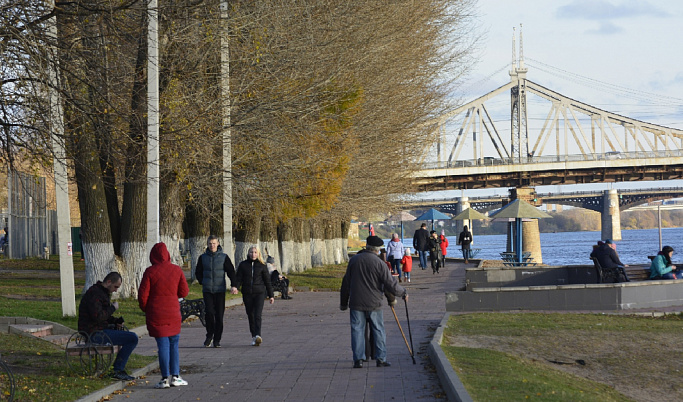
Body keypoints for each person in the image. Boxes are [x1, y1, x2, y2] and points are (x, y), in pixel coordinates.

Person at [340, 235, 407, 369]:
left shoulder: (354, 260)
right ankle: (380, 359)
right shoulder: (379, 263)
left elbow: (346, 283)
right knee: (378, 330)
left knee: (357, 330)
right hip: (374, 302)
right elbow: (390, 283)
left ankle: (358, 359)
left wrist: (343, 302)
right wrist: (402, 293)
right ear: (377, 249)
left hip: (356, 301)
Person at [138, 242, 190, 389]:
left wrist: (146, 309)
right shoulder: (176, 270)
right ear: (167, 254)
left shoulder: (149, 272)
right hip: (173, 312)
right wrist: (173, 296)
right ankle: (176, 376)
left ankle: (164, 378)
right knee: (174, 344)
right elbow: (184, 292)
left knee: (162, 346)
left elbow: (143, 296)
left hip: (156, 313)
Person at [78, 272, 139, 381]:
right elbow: (98, 316)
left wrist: (116, 321)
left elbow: (103, 315)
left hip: (99, 330)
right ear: (109, 282)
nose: (116, 290)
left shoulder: (102, 293)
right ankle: (117, 370)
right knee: (132, 338)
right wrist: (113, 308)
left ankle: (117, 369)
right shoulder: (95, 294)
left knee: (129, 336)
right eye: (115, 287)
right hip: (93, 333)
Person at [195, 235, 236, 348]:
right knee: (209, 314)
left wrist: (234, 285)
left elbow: (231, 272)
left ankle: (217, 339)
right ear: (207, 244)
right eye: (210, 243)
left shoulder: (223, 257)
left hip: (219, 290)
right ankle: (209, 336)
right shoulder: (203, 258)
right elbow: (198, 272)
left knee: (219, 316)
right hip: (207, 290)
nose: (212, 245)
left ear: (218, 243)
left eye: (214, 243)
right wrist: (202, 281)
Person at [232, 246, 274, 346]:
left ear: (258, 254)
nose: (253, 254)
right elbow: (239, 278)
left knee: (257, 315)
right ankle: (254, 336)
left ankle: (258, 335)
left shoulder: (262, 265)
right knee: (250, 314)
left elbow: (267, 281)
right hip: (247, 293)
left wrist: (271, 295)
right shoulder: (243, 265)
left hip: (259, 293)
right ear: (248, 253)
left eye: (255, 252)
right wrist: (235, 287)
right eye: (251, 252)